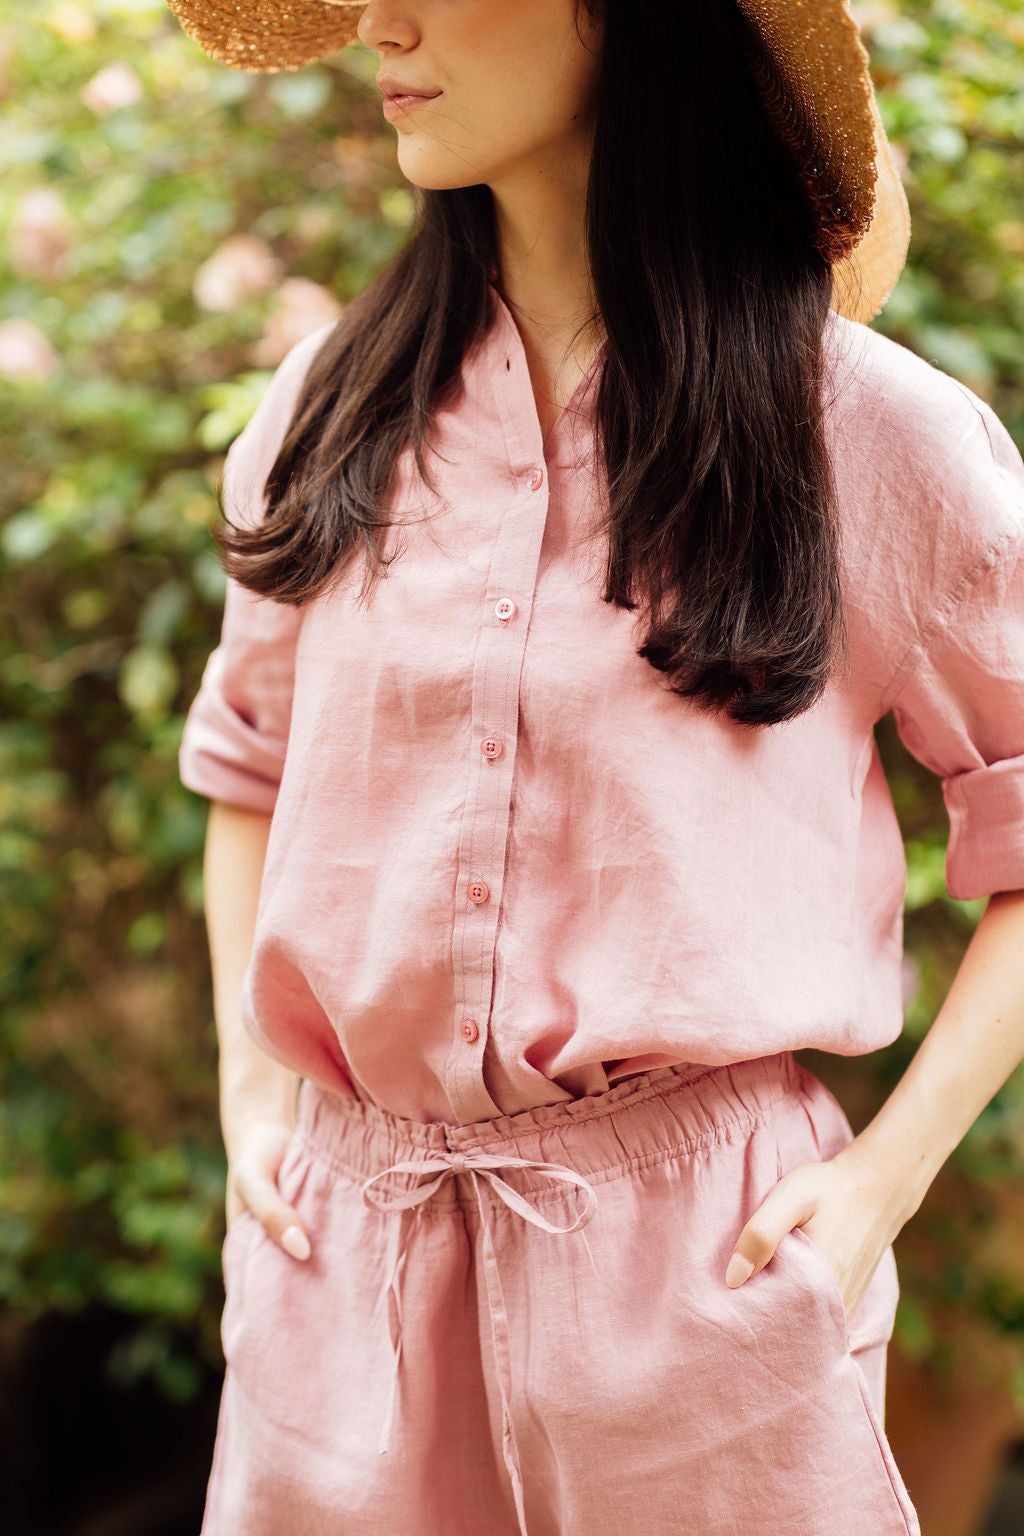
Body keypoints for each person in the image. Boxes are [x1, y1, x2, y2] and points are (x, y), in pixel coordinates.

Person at [166, 0, 1024, 1532]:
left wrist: (887, 1178)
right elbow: (250, 762)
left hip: (707, 1281)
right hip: (340, 1274)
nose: (380, 21)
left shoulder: (873, 439)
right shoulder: (326, 415)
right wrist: (250, 1098)